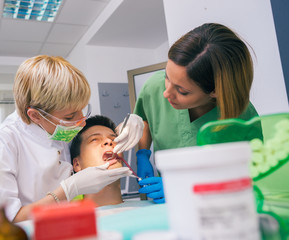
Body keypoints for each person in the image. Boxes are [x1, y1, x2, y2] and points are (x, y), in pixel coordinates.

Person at [0, 55, 144, 222]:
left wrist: (132, 122)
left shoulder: (58, 128)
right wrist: (67, 190)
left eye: (82, 109)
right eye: (70, 117)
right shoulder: (7, 142)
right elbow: (8, 221)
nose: (81, 122)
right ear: (35, 116)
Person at [134, 23, 261, 203]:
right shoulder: (153, 87)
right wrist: (142, 154)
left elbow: (249, 178)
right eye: (167, 77)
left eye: (182, 91)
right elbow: (144, 117)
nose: (166, 93)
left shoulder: (242, 118)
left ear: (215, 91)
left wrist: (184, 188)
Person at [70, 115, 124, 207]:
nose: (109, 141)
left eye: (114, 139)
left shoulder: (149, 211)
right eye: (94, 139)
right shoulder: (70, 219)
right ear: (77, 164)